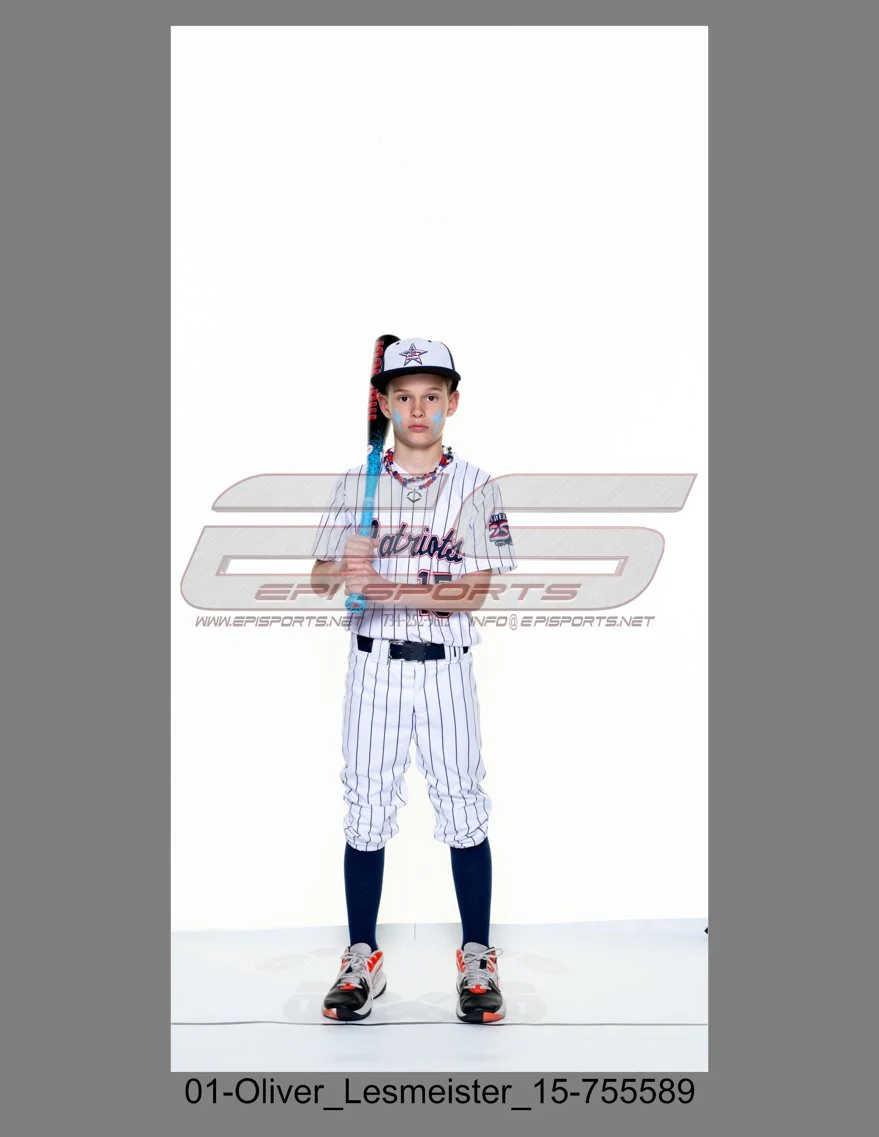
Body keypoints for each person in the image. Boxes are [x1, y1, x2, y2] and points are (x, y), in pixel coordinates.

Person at [309, 337, 517, 1024]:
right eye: (404, 396)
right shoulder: (355, 484)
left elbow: (475, 591)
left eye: (432, 395)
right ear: (385, 404)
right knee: (366, 808)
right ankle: (361, 957)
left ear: (453, 402)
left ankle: (477, 956)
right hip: (372, 668)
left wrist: (386, 585)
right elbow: (319, 580)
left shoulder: (476, 485)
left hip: (445, 670)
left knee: (462, 804)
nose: (418, 408)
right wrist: (344, 562)